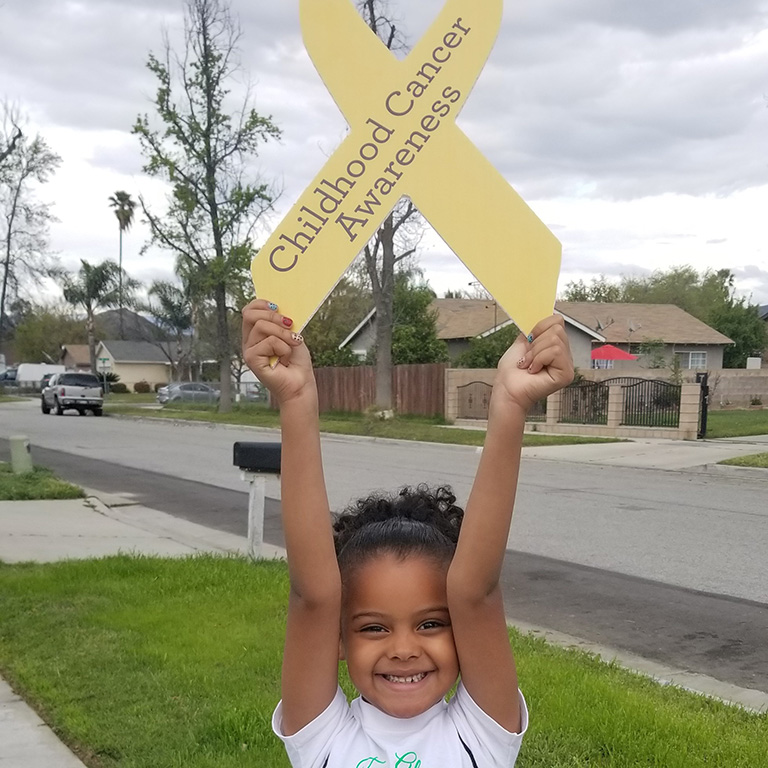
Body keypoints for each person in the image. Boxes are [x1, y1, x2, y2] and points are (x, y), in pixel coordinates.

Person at [242, 299, 574, 767]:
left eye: (432, 623)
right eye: (373, 627)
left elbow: (473, 590)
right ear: (338, 640)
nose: (403, 650)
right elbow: (314, 595)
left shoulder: (480, 737)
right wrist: (295, 398)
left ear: (463, 633)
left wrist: (511, 403)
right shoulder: (322, 738)